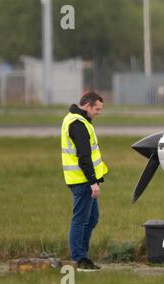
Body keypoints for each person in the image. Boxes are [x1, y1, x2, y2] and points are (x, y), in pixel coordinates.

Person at [61, 92, 108, 272]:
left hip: (83, 180)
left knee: (92, 217)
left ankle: (82, 256)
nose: (99, 112)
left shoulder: (75, 119)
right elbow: (84, 157)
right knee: (80, 220)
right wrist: (93, 182)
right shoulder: (78, 125)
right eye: (97, 109)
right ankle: (78, 259)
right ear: (87, 106)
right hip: (82, 181)